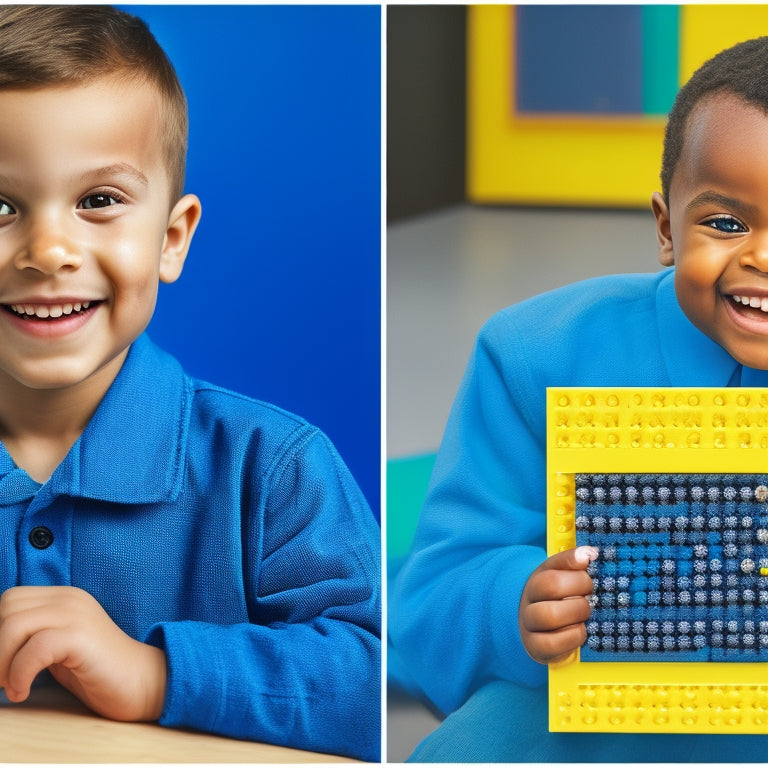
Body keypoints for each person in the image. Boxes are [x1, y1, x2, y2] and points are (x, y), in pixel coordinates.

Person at [0, 6, 380, 761]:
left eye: (98, 201)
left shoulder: (272, 467)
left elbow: (373, 682)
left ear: (171, 238)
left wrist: (155, 674)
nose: (48, 251)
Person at [389, 35, 768, 762]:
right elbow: (436, 594)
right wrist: (517, 604)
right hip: (580, 707)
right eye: (726, 223)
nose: (760, 257)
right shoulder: (537, 354)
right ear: (665, 226)